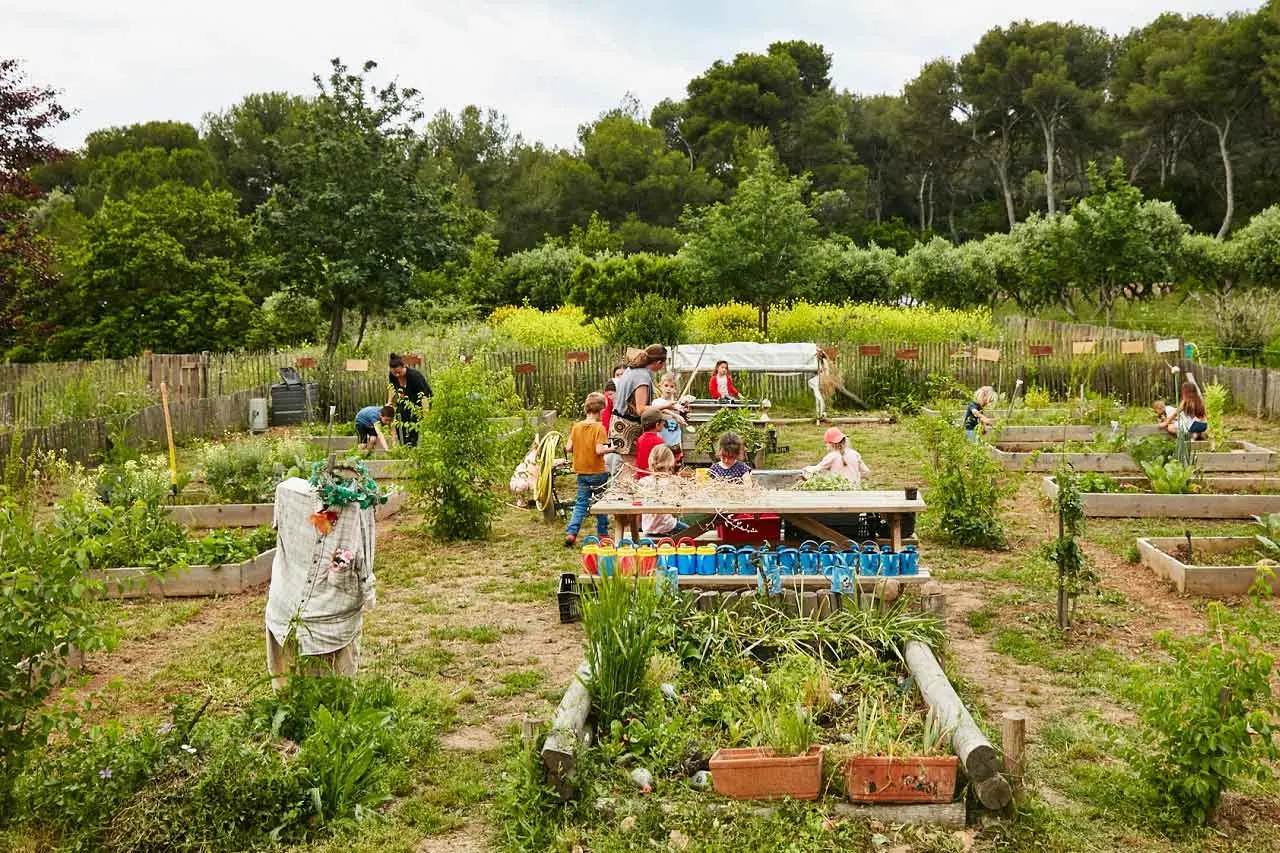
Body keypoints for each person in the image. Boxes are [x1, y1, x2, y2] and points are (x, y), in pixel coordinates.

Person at [564, 392, 612, 547]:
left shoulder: (576, 426)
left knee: (580, 504)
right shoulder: (599, 428)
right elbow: (599, 450)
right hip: (598, 472)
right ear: (601, 410)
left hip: (582, 472)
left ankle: (572, 532)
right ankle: (603, 534)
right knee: (600, 504)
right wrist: (612, 448)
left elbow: (568, 447)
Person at [609, 344, 669, 461]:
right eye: (662, 364)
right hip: (628, 428)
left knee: (627, 467)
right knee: (631, 468)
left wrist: (670, 410)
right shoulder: (642, 377)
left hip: (619, 424)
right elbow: (641, 409)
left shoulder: (632, 369)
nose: (662, 367)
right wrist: (666, 405)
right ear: (658, 362)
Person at [639, 444, 688, 537]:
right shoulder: (671, 481)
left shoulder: (643, 481)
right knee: (692, 533)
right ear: (670, 461)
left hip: (647, 528)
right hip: (667, 527)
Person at [387, 354, 432, 447]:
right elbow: (392, 389)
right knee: (399, 417)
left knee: (414, 422)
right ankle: (403, 446)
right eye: (395, 373)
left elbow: (424, 397)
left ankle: (413, 447)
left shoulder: (414, 376)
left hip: (420, 403)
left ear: (404, 367)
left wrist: (426, 415)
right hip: (405, 401)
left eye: (399, 372)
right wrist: (389, 404)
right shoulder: (392, 376)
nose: (397, 375)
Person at [804, 427, 871, 487]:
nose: (826, 445)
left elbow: (817, 469)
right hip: (855, 490)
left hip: (839, 491)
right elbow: (866, 472)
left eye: (826, 443)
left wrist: (806, 469)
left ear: (831, 444)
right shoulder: (855, 454)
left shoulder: (832, 456)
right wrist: (856, 480)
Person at [652, 373, 690, 468]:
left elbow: (681, 418)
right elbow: (659, 409)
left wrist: (684, 413)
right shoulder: (656, 402)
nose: (668, 388)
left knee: (675, 462)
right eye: (666, 385)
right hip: (662, 438)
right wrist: (674, 414)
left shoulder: (677, 404)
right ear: (660, 386)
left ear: (675, 389)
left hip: (674, 438)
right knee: (661, 460)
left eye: (671, 386)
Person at [634, 407, 667, 479]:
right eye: (662, 422)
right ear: (657, 425)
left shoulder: (640, 439)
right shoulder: (659, 441)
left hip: (641, 477)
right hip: (653, 477)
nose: (664, 423)